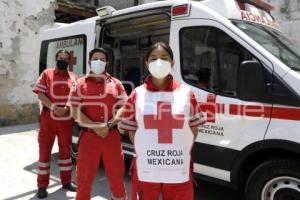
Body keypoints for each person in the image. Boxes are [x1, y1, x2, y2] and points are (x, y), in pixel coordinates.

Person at [119, 42, 205, 200]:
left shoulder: (187, 93)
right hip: (146, 165)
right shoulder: (137, 94)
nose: (159, 62)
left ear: (172, 63)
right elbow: (132, 131)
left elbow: (193, 129)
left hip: (178, 165)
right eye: (153, 58)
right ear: (147, 64)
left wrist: (176, 150)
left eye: (164, 58)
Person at [68, 48, 128, 200]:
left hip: (111, 136)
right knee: (84, 180)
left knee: (116, 177)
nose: (99, 62)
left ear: (107, 63)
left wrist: (108, 124)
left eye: (102, 59)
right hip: (88, 138)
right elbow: (74, 110)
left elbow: (125, 107)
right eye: (95, 58)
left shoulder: (116, 83)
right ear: (89, 62)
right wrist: (96, 127)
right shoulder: (79, 83)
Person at [32, 50, 78, 199]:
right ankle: (42, 186)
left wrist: (66, 109)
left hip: (66, 119)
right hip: (48, 118)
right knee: (44, 152)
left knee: (65, 153)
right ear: (56, 58)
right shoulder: (47, 73)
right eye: (60, 58)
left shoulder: (74, 77)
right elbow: (40, 94)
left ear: (70, 61)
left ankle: (66, 181)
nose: (63, 60)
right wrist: (54, 108)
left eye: (66, 58)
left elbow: (76, 97)